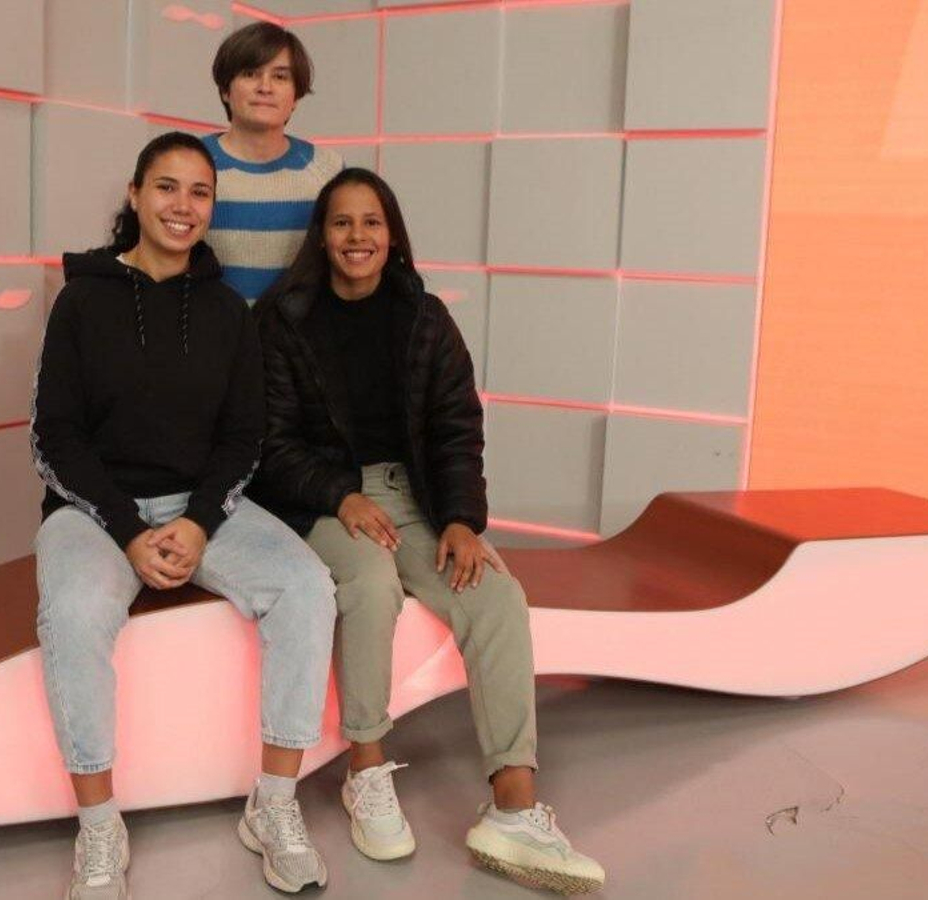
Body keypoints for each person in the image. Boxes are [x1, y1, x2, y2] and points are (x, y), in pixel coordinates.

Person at [249, 169, 608, 895]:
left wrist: (461, 521)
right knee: (372, 587)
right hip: (322, 500)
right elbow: (268, 441)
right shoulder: (281, 319)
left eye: (372, 223)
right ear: (323, 234)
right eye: (343, 223)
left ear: (392, 235)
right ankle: (366, 772)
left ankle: (512, 808)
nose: (358, 238)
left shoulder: (423, 316)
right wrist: (339, 496)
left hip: (414, 499)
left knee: (497, 596)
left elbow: (456, 429)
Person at [31, 131, 336, 899]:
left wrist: (199, 522)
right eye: (166, 187)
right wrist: (127, 532)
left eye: (199, 192)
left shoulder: (229, 309)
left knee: (307, 587)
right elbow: (54, 434)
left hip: (205, 505)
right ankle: (99, 830)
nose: (183, 205)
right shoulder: (82, 298)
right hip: (93, 508)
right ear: (134, 196)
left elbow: (244, 438)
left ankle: (273, 807)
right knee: (72, 607)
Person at [205, 22, 344, 304]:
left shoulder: (327, 169)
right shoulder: (191, 162)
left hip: (296, 343)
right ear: (225, 91)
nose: (265, 87)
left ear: (296, 96)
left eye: (280, 77)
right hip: (209, 341)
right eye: (250, 74)